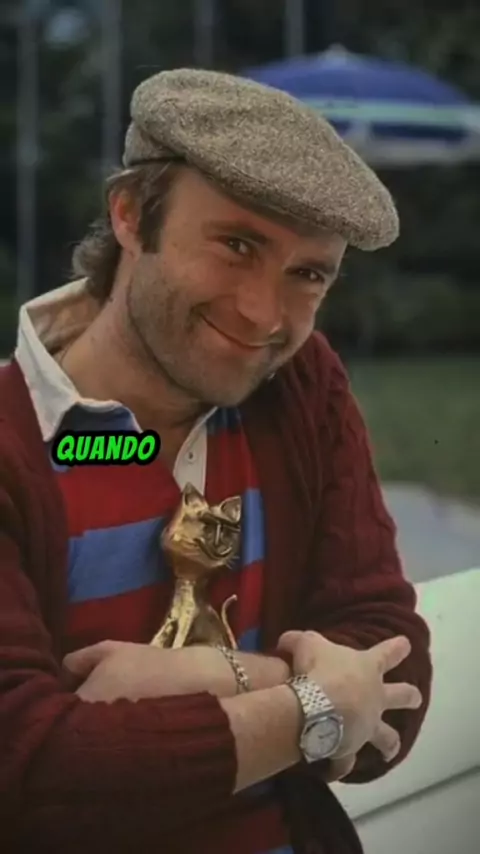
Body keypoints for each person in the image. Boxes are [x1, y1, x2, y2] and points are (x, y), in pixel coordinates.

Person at [0, 68, 432, 854]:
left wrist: (200, 676)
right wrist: (315, 700)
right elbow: (30, 773)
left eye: (308, 274)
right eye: (237, 245)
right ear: (130, 216)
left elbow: (397, 691)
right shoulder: (13, 440)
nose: (264, 316)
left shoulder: (299, 386)